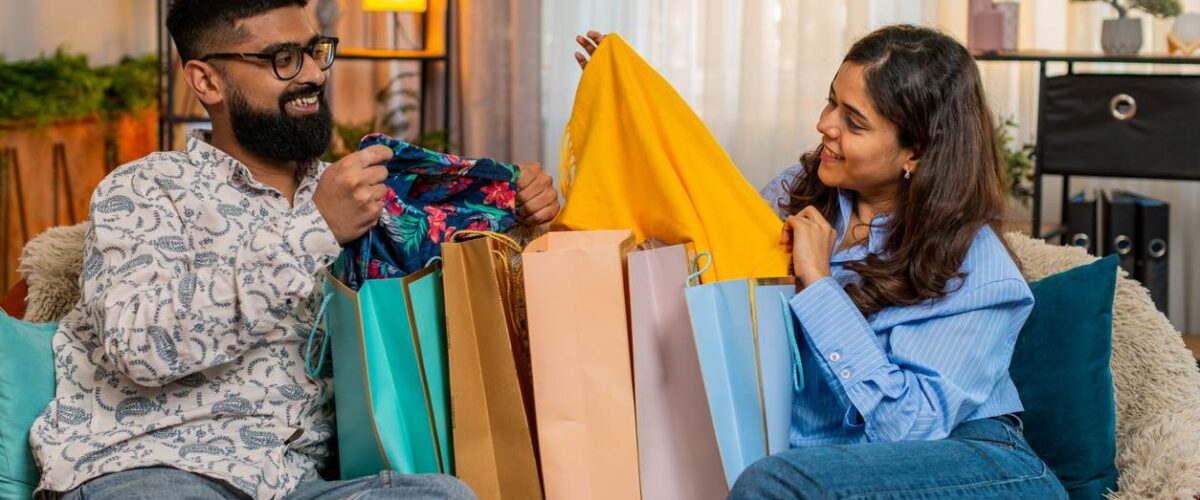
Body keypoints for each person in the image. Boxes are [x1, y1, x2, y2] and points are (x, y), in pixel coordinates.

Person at [30, 1, 557, 498]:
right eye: (283, 59)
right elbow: (138, 346)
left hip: (296, 482)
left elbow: (442, 301)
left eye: (315, 51)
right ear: (206, 80)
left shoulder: (357, 194)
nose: (313, 74)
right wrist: (316, 230)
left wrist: (515, 214)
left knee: (445, 496)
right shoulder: (146, 189)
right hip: (152, 466)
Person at [576, 25, 1068, 498]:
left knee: (772, 482)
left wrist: (818, 283)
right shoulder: (799, 189)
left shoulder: (976, 265)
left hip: (972, 464)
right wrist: (621, 112)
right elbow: (703, 233)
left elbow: (908, 427)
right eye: (832, 100)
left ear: (914, 153)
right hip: (820, 465)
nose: (825, 124)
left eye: (853, 122)